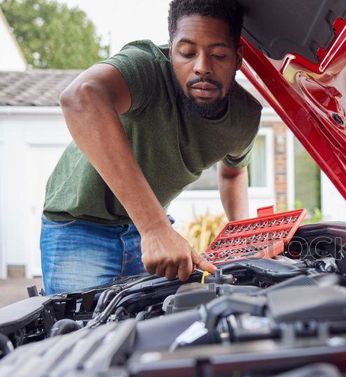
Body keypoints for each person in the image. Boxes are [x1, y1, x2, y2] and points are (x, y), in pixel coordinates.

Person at [40, 0, 260, 295]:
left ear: (238, 57)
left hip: (148, 229)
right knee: (83, 335)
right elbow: (81, 98)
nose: (202, 68)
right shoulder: (146, 68)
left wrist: (242, 238)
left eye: (219, 54)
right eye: (187, 53)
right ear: (171, 52)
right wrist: (155, 229)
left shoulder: (244, 118)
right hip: (79, 228)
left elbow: (233, 173)